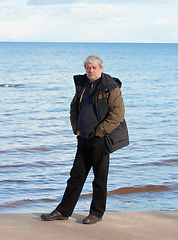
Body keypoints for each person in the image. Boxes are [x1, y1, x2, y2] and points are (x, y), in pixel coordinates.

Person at [41, 55, 128, 224]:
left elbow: (118, 114)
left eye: (94, 67)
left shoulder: (110, 87)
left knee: (99, 179)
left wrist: (100, 132)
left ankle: (96, 213)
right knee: (75, 177)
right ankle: (63, 211)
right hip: (83, 139)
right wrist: (76, 128)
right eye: (88, 67)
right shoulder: (83, 86)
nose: (91, 70)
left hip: (100, 140)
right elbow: (74, 107)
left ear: (101, 68)